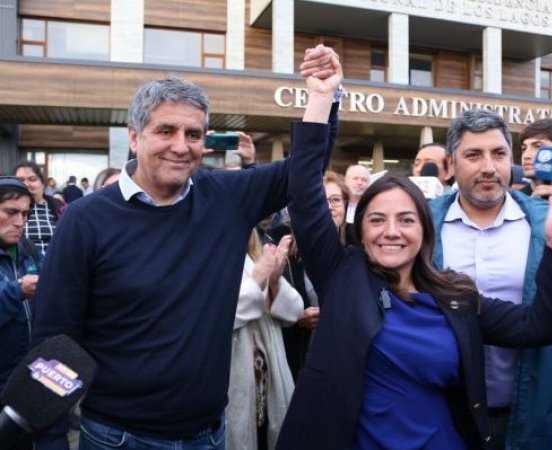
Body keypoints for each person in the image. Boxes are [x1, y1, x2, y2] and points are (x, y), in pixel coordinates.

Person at [276, 48, 552, 449]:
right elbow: (304, 194)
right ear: (360, 229)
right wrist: (322, 100)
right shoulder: (343, 277)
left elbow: (538, 327)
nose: (392, 232)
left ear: (426, 229)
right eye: (377, 219)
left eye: (406, 220)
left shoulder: (456, 295)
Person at [32, 48, 340, 450]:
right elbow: (54, 339)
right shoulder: (85, 220)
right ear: (134, 136)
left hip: (208, 434)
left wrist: (323, 97)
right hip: (118, 438)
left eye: (193, 135)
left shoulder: (226, 196)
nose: (181, 146)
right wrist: (50, 440)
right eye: (166, 131)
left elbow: (304, 171)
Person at [429, 109, 552, 449]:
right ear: (451, 163)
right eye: (473, 155)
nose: (488, 167)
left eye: (499, 153)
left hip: (530, 426)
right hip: (441, 422)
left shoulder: (551, 226)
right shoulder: (422, 225)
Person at [226, 231, 303, 450]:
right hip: (236, 386)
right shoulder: (210, 259)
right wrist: (257, 282)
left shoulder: (254, 258)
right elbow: (216, 317)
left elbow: (293, 313)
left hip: (267, 387)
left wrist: (276, 281)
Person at [282, 170, 348, 380]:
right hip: (299, 364)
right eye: (320, 200)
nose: (329, 207)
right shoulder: (284, 257)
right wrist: (295, 318)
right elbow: (264, 315)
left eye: (336, 200)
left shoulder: (358, 254)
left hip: (344, 365)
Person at [0, 176, 41, 450]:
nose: (19, 222)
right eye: (10, 212)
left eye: (25, 214)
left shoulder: (28, 251)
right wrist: (17, 290)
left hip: (24, 383)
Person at [13, 161, 65, 256]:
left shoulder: (59, 207)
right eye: (20, 180)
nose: (26, 184)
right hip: (20, 262)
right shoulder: (7, 210)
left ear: (42, 183)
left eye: (32, 179)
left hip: (54, 262)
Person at [344, 164, 370, 244]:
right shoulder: (338, 205)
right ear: (346, 181)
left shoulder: (372, 207)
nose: (359, 183)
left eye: (364, 180)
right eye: (355, 178)